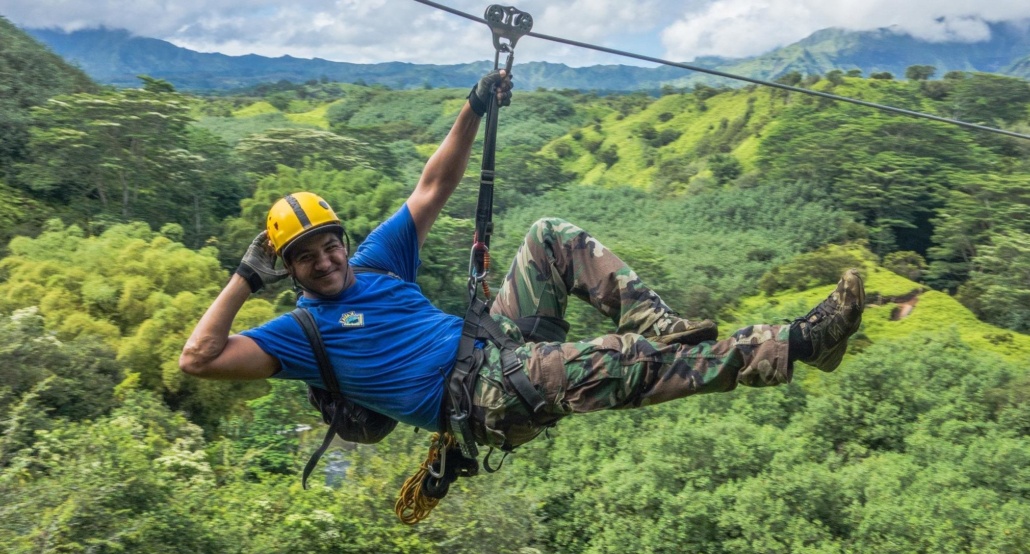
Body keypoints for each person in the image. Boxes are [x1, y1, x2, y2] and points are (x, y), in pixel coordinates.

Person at [180, 69, 865, 456]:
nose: (327, 260)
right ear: (289, 270)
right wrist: (245, 277)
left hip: (494, 344)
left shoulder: (377, 259)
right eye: (306, 258)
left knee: (548, 233)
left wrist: (474, 106)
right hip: (481, 399)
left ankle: (658, 321)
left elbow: (433, 186)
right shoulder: (298, 335)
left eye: (329, 243)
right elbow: (198, 358)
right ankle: (800, 344)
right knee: (623, 363)